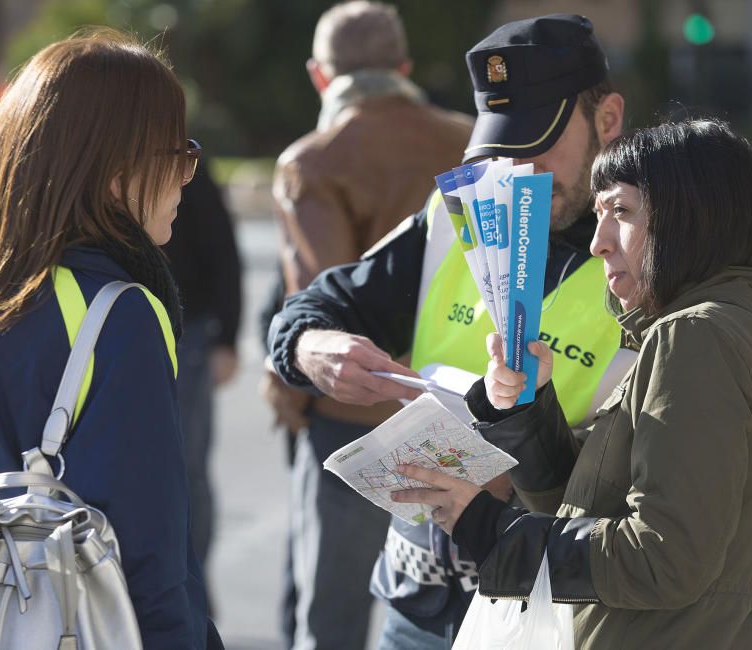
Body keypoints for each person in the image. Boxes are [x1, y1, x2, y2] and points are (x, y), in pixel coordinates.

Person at [391, 119, 752, 649]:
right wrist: (526, 409)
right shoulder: (751, 327)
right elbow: (591, 508)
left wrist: (489, 528)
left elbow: (663, 559)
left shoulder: (696, 334)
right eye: (598, 214)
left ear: (689, 217)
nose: (599, 243)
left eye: (621, 212)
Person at [268, 14, 635, 648]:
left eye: (540, 141)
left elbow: (658, 498)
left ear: (607, 119)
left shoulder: (651, 256)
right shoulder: (453, 214)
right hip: (417, 601)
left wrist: (520, 476)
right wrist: (314, 348)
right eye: (501, 144)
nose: (516, 169)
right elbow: (318, 304)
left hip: (541, 610)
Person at [0, 30, 223, 649]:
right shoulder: (117, 314)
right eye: (179, 154)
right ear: (115, 171)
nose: (187, 177)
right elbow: (150, 567)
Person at [264, 2, 473, 648]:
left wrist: (291, 399)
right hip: (460, 418)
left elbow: (321, 301)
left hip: (352, 427)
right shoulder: (472, 140)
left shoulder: (313, 161)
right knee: (451, 617)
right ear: (404, 68)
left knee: (334, 618)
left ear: (318, 76)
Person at [162, 158, 242, 611]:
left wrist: (226, 339)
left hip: (187, 337)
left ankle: (192, 592)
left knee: (187, 472)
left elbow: (223, 250)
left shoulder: (183, 161)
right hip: (113, 334)